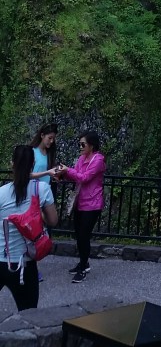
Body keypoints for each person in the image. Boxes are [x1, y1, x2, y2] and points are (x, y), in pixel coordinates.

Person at [0, 145, 57, 310]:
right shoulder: (42, 189)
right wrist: (38, 214)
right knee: (28, 314)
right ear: (32, 165)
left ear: (12, 164)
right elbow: (53, 221)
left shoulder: (1, 192)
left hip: (0, 259)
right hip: (24, 264)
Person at [56, 130, 106, 283]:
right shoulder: (81, 158)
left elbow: (84, 178)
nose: (80, 147)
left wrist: (68, 170)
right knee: (79, 234)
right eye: (80, 144)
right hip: (80, 202)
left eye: (83, 144)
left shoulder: (98, 160)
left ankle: (84, 267)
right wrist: (63, 174)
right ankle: (83, 263)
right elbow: (75, 174)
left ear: (91, 145)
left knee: (84, 235)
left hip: (93, 203)